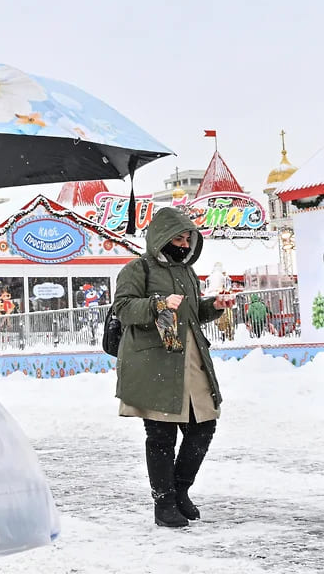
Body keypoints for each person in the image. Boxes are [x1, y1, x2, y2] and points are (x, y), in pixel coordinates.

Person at [112, 207, 232, 529]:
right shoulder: (137, 269)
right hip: (154, 364)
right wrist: (157, 304)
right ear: (160, 237)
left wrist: (214, 306)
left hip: (190, 360)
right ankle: (163, 502)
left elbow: (191, 315)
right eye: (176, 237)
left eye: (186, 238)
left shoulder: (187, 273)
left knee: (203, 427)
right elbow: (122, 308)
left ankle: (179, 490)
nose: (182, 243)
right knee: (161, 435)